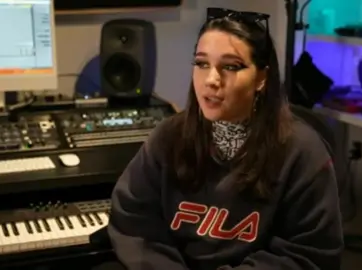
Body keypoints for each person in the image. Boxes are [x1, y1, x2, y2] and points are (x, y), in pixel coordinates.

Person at [107, 7, 344, 270]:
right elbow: (134, 221)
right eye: (201, 63)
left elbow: (307, 254)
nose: (211, 79)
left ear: (262, 78)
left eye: (230, 66)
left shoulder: (302, 152)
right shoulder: (168, 137)